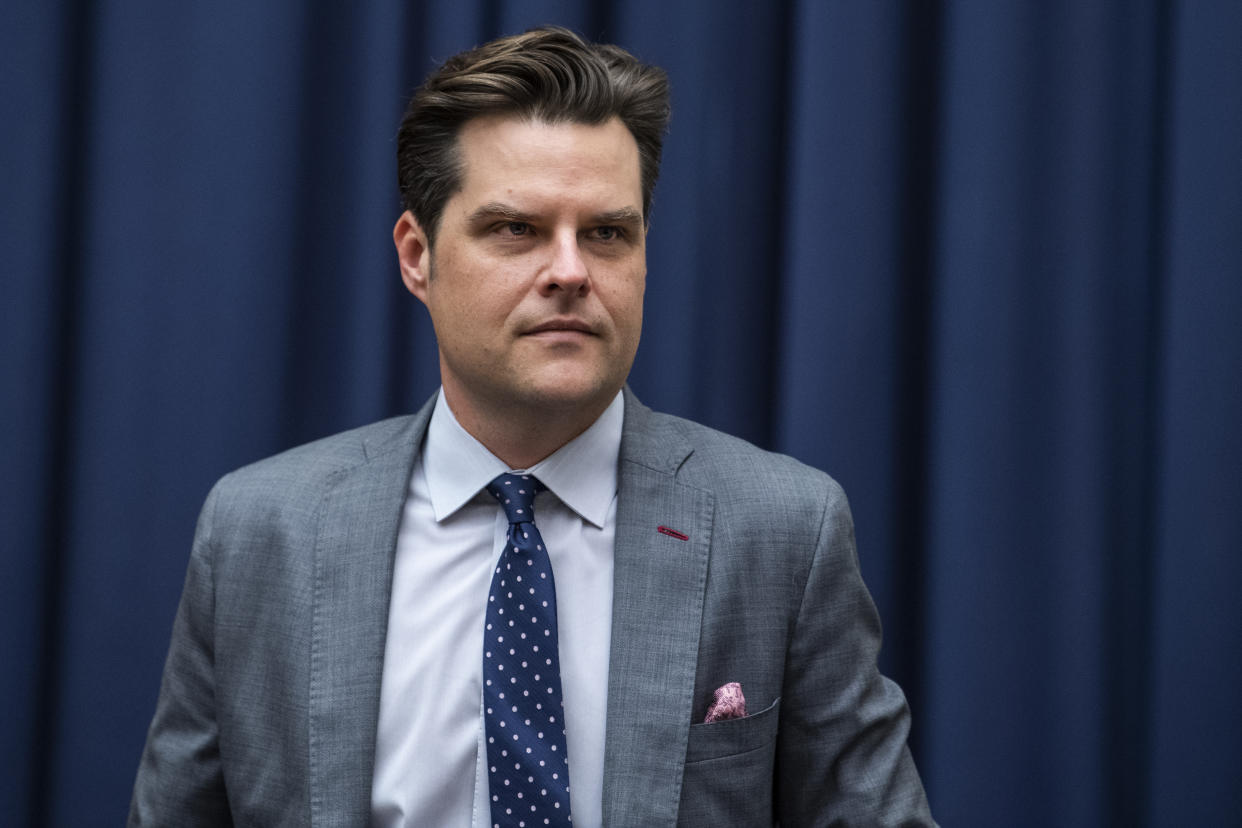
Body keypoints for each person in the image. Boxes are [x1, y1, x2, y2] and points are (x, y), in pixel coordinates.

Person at [129, 26, 935, 827]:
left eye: (607, 233)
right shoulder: (259, 533)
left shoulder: (783, 532)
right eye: (516, 229)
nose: (570, 271)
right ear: (417, 255)